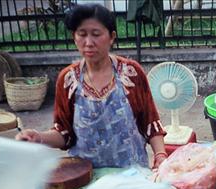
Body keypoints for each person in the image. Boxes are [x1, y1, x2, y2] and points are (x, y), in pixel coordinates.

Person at [16, 4, 168, 169]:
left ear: (112, 37)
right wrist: (38, 137)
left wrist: (160, 155)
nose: (88, 43)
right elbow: (63, 133)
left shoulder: (131, 73)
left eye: (96, 34)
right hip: (84, 176)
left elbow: (150, 123)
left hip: (132, 173)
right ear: (74, 37)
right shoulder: (68, 79)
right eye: (82, 34)